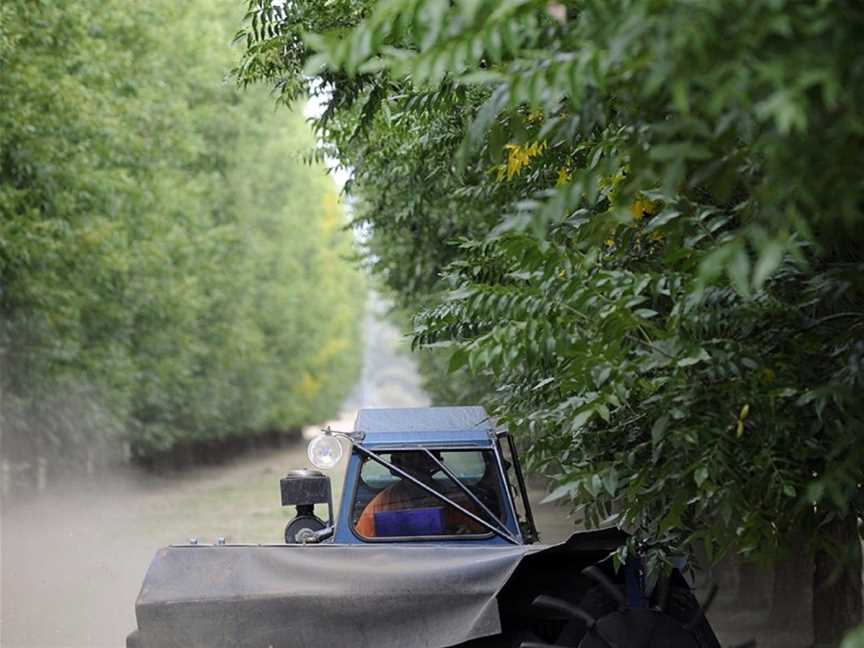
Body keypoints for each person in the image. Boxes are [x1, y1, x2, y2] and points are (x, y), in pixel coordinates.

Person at [355, 452, 484, 537]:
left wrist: (466, 535)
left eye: (422, 460)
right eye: (410, 460)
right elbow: (363, 548)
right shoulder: (380, 506)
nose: (416, 467)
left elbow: (481, 540)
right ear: (397, 466)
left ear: (434, 463)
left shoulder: (456, 502)